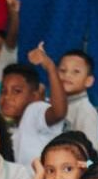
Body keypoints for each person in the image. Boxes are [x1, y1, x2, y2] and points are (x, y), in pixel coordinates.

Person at [13, 42, 68, 170]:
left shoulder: (34, 110)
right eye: (3, 91)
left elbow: (59, 112)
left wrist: (50, 68)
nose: (7, 97)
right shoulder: (9, 123)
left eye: (17, 91)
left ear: (35, 95)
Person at [58, 49, 98, 149]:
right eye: (62, 70)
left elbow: (90, 153)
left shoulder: (86, 112)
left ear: (88, 81)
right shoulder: (53, 104)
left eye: (76, 71)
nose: (67, 75)